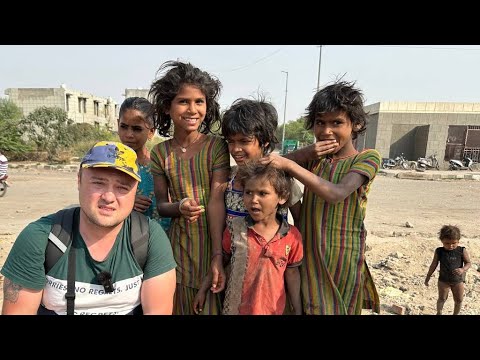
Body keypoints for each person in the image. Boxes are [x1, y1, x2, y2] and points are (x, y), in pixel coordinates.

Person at [1, 141, 177, 315]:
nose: (108, 197)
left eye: (122, 187)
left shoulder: (149, 237)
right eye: (98, 183)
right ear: (79, 181)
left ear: (135, 191)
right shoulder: (40, 238)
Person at [259, 80, 381, 315]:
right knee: (308, 304)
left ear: (356, 124)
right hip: (309, 250)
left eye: (337, 122)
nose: (326, 131)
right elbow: (272, 170)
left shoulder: (367, 158)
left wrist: (291, 164)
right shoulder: (314, 159)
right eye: (320, 123)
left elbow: (336, 193)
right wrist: (305, 154)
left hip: (342, 254)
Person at [149, 61, 231, 315]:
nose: (193, 109)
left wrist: (217, 254)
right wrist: (180, 207)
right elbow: (162, 206)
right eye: (183, 101)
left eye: (200, 102)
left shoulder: (216, 146)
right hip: (179, 247)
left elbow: (218, 200)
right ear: (167, 106)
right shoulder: (160, 152)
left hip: (214, 242)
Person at [207, 97, 303, 294]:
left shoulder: (282, 179)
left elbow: (300, 221)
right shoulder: (229, 179)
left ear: (264, 141)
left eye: (244, 141)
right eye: (231, 142)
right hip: (235, 276)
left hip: (272, 278)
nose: (235, 149)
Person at [194, 162, 303, 315]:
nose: (254, 199)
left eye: (263, 193)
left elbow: (292, 273)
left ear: (282, 197)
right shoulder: (235, 229)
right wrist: (203, 289)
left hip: (273, 310)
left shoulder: (291, 236)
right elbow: (219, 263)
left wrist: (297, 308)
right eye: (248, 192)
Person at [117, 96, 171, 232]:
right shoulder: (110, 164)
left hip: (160, 237)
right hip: (124, 238)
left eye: (137, 129)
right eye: (124, 127)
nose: (129, 134)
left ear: (151, 132)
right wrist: (127, 202)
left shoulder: (160, 164)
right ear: (117, 124)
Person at [425, 225, 471, 315]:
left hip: (458, 280)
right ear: (442, 241)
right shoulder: (439, 251)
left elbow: (468, 263)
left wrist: (463, 270)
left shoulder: (461, 250)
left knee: (459, 300)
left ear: (458, 241)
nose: (450, 246)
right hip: (443, 280)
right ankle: (439, 312)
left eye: (454, 243)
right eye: (447, 243)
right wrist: (428, 277)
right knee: (442, 298)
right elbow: (433, 264)